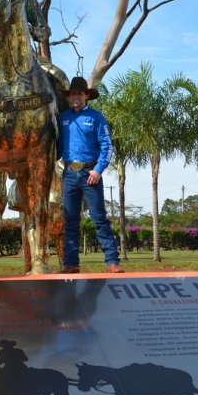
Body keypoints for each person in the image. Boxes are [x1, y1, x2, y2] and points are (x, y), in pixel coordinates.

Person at [57, 76, 123, 273]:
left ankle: (112, 261)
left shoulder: (96, 117)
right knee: (70, 220)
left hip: (90, 173)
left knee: (98, 218)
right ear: (69, 97)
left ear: (86, 95)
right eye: (72, 94)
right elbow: (57, 147)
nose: (75, 97)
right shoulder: (63, 118)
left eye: (79, 93)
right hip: (69, 173)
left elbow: (107, 146)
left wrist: (98, 170)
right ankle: (71, 264)